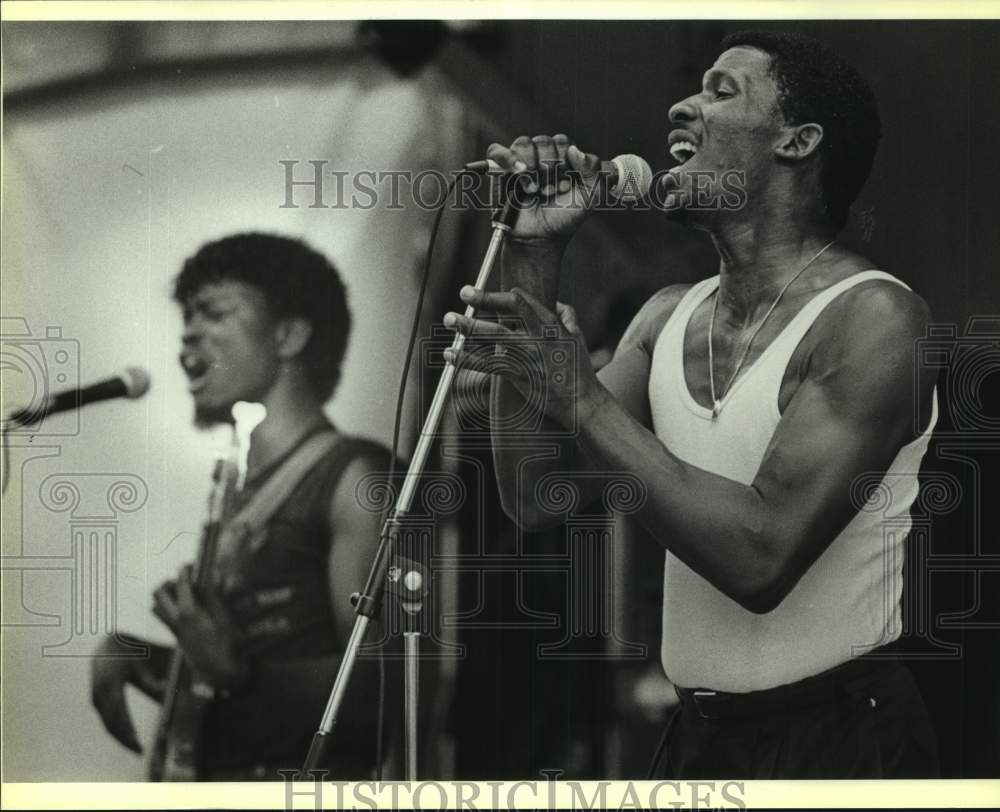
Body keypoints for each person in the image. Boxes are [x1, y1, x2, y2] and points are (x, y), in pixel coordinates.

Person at [443, 30, 940, 778]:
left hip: (842, 740)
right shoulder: (666, 316)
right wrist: (537, 257)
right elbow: (535, 496)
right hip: (699, 738)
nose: (680, 108)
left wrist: (580, 393)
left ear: (798, 142)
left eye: (720, 90)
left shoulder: (872, 317)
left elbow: (760, 559)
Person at [91, 232, 395, 780]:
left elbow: (384, 695)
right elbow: (233, 681)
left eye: (213, 312)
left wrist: (239, 674)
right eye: (187, 314)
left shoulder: (354, 479)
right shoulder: (243, 492)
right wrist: (139, 657)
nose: (188, 332)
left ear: (289, 334)